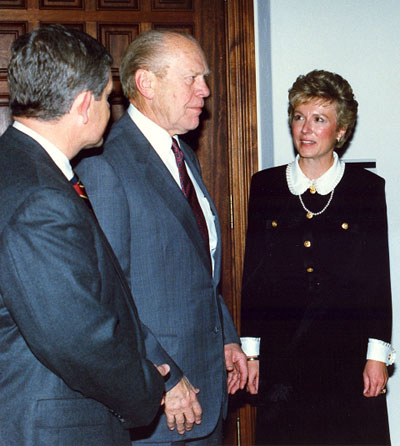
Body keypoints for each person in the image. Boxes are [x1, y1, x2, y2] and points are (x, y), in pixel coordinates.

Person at [0, 25, 170, 446]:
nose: (111, 110)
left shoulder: (18, 166)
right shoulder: (39, 197)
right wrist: (144, 389)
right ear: (82, 104)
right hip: (52, 426)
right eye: (108, 97)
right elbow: (75, 338)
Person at [75, 29, 247, 445]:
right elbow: (110, 296)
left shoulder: (184, 155)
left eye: (204, 79)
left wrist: (225, 337)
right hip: (163, 405)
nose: (205, 90)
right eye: (191, 78)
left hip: (207, 390)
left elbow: (196, 266)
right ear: (146, 83)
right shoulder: (107, 165)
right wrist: (165, 380)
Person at [241, 69, 395, 445]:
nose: (305, 129)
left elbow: (378, 277)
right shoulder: (266, 186)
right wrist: (251, 352)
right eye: (299, 117)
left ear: (341, 131)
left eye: (319, 119)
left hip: (346, 354)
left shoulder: (367, 190)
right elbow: (254, 275)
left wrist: (377, 354)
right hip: (284, 356)